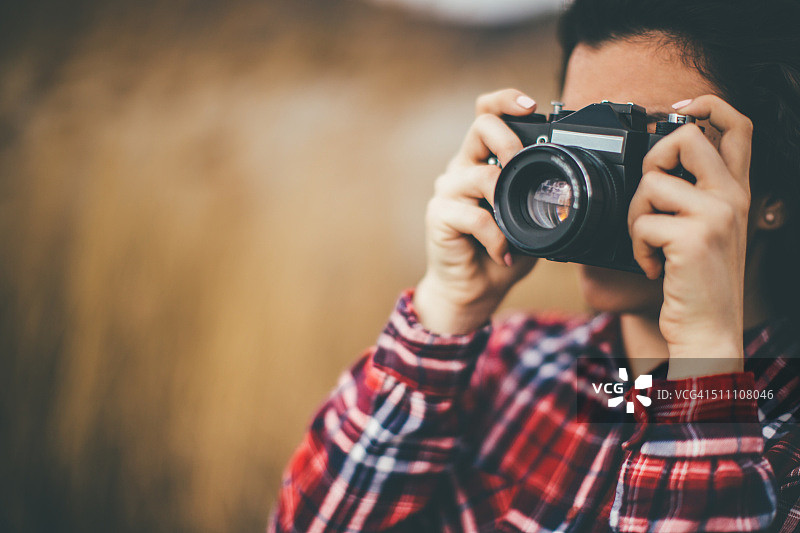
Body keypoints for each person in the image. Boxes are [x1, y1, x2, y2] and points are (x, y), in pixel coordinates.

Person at [269, 0, 800, 530]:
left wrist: (705, 367)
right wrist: (446, 306)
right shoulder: (507, 361)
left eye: (654, 144)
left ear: (772, 190)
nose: (583, 185)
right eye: (578, 134)